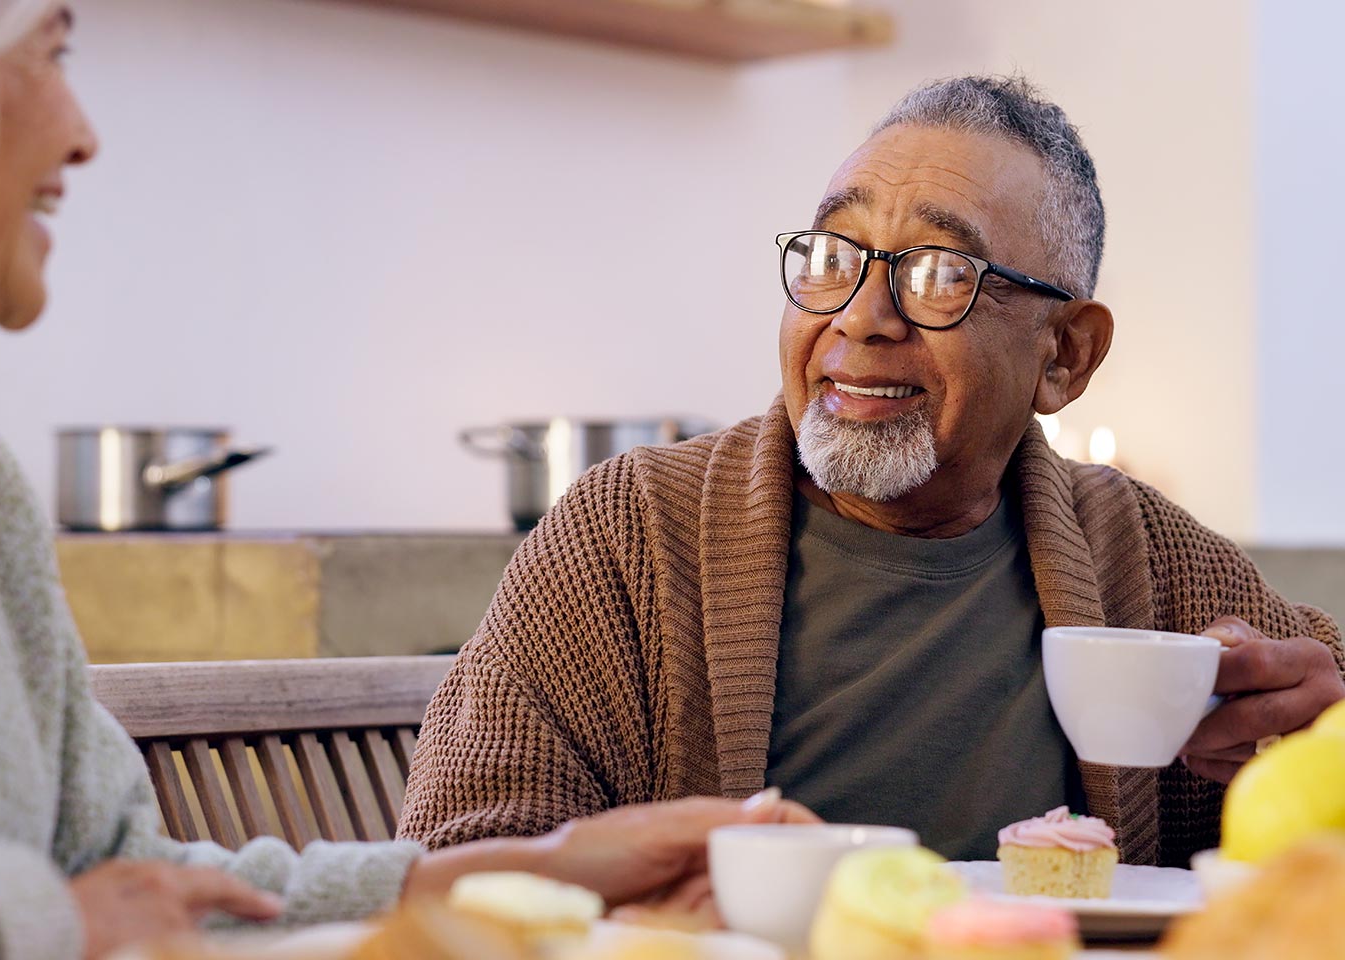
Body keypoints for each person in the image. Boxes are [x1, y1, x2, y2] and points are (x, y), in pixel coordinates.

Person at [0, 4, 817, 959]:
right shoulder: (630, 526)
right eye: (51, 54)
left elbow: (143, 885)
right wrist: (56, 923)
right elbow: (104, 909)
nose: (84, 134)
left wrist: (541, 871)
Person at [398, 75, 1345, 868]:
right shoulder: (629, 535)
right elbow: (459, 870)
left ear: (1064, 355)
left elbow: (1314, 710)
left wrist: (1319, 739)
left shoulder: (1146, 557)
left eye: (939, 273)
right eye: (832, 256)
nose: (859, 316)